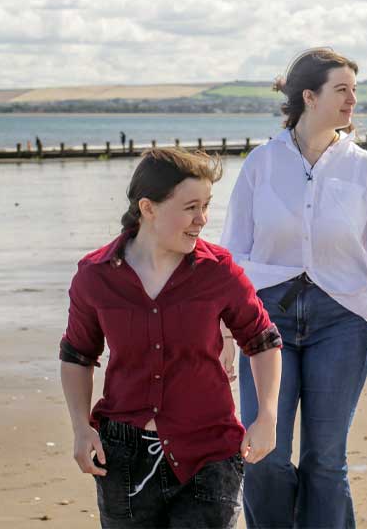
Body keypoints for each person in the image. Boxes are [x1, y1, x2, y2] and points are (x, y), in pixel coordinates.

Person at [221, 47, 367, 528]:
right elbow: (230, 255)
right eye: (342, 89)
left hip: (343, 320)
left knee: (325, 462)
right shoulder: (260, 165)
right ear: (309, 96)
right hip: (265, 324)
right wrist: (222, 332)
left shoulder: (364, 168)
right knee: (263, 453)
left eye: (355, 90)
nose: (353, 99)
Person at [59, 148, 282, 529]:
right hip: (124, 462)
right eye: (191, 207)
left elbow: (262, 341)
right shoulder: (95, 276)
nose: (203, 220)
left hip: (209, 455)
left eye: (207, 206)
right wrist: (81, 428)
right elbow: (77, 355)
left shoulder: (219, 272)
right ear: (148, 208)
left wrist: (267, 415)